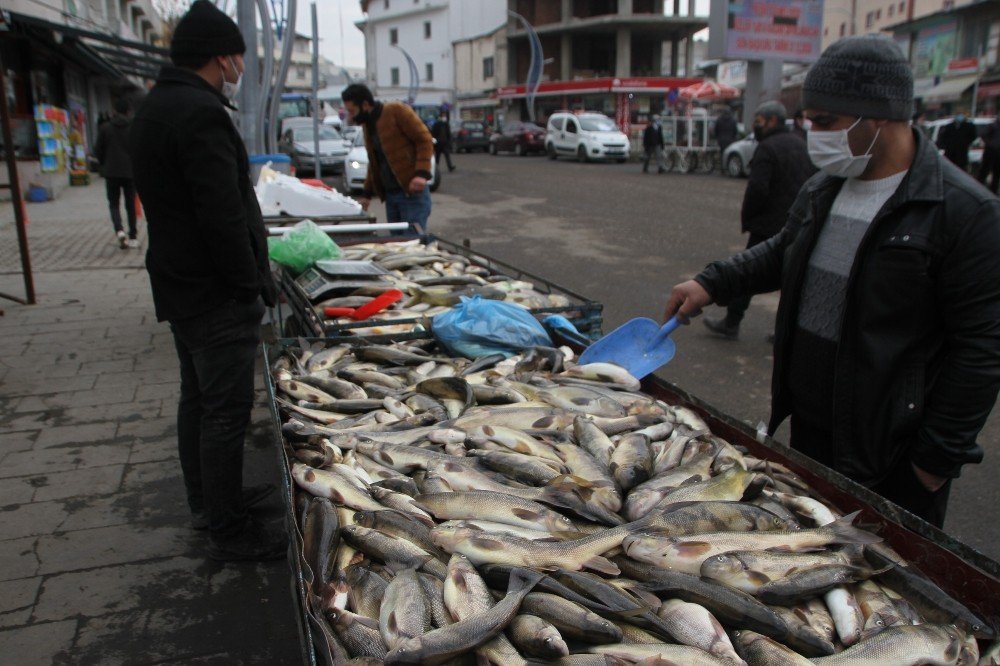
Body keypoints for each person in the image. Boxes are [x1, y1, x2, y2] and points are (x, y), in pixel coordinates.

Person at [663, 35, 1000, 528]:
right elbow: (781, 251)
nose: (811, 132)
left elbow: (983, 348)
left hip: (891, 453)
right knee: (811, 553)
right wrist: (711, 283)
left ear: (878, 117)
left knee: (884, 585)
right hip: (813, 428)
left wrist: (933, 462)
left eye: (825, 122)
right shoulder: (826, 186)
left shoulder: (965, 213)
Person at [129, 0, 281, 561]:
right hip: (213, 292)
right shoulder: (200, 113)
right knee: (224, 413)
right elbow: (222, 213)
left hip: (178, 283)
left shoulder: (155, 107)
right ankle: (229, 529)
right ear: (222, 57)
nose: (242, 65)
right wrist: (250, 285)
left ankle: (209, 503)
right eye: (239, 56)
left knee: (196, 400)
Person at [702, 101, 816, 339]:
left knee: (748, 275)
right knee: (792, 280)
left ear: (772, 120)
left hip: (768, 224)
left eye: (758, 120)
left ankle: (732, 322)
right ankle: (784, 331)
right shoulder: (801, 143)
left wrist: (750, 217)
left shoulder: (767, 148)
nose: (755, 124)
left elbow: (757, 189)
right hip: (798, 222)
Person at [342, 83, 434, 234]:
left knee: (411, 244)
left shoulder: (396, 111)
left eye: (352, 111)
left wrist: (421, 174)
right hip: (392, 196)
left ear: (365, 105)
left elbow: (424, 139)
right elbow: (375, 162)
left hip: (411, 195)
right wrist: (366, 193)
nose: (351, 117)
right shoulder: (368, 125)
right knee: (396, 244)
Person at [94, 98, 137, 249]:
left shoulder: (105, 128)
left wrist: (104, 164)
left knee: (113, 203)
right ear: (128, 111)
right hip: (130, 172)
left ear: (115, 111)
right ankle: (133, 235)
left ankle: (119, 230)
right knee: (130, 204)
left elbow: (98, 150)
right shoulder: (133, 127)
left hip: (111, 171)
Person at [979, 116, 1000, 193]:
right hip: (990, 152)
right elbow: (983, 135)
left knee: (996, 173)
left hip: (998, 153)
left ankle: (994, 190)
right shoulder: (992, 125)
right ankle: (979, 188)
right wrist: (991, 144)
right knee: (984, 171)